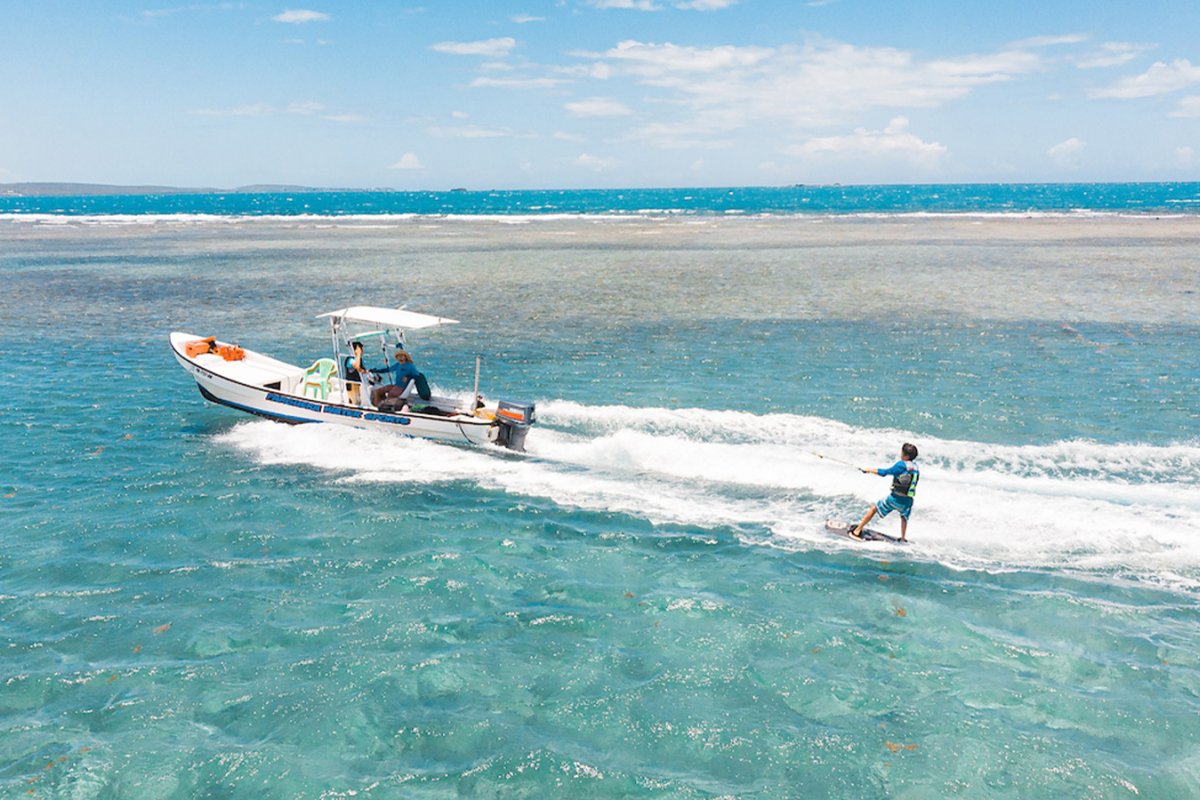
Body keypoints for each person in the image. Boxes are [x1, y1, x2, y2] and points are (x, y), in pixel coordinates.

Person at [852, 443, 919, 542]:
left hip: (895, 499)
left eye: (902, 452)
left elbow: (884, 472)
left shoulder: (901, 465)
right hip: (908, 502)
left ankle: (857, 531)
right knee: (904, 517)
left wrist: (868, 470)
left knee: (874, 508)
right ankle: (903, 538)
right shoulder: (915, 467)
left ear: (906, 456)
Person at [343, 341, 366, 405]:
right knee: (354, 402)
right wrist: (358, 354)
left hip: (357, 384)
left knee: (358, 401)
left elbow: (361, 370)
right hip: (351, 385)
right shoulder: (350, 360)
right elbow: (357, 366)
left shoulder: (359, 360)